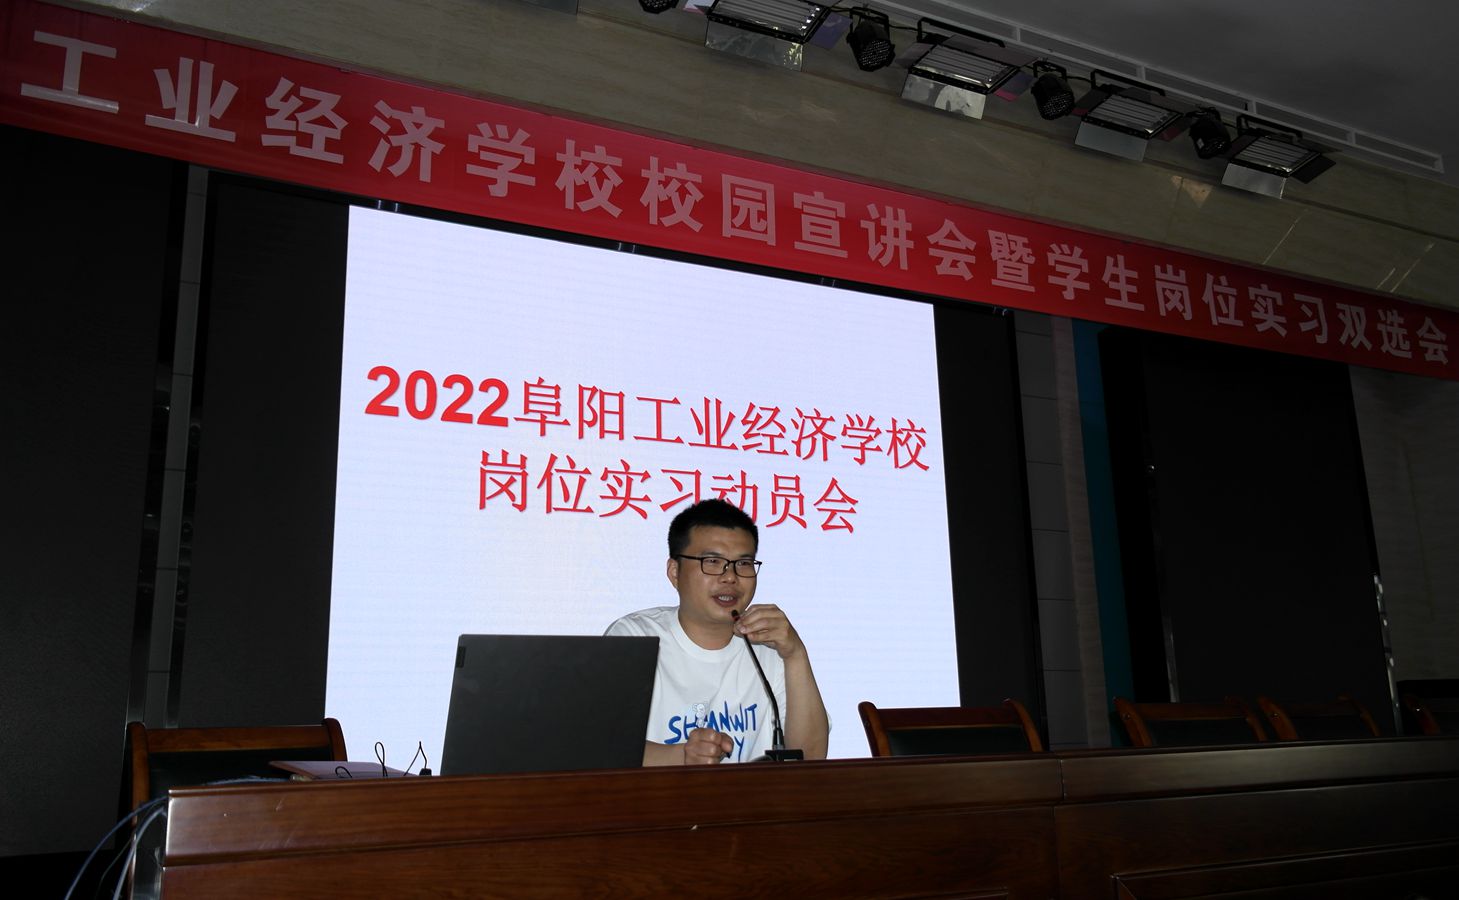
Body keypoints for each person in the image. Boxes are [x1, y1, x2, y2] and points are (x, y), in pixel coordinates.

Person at [606, 499, 830, 765]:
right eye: (712, 561)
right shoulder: (635, 636)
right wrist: (682, 756)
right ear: (675, 572)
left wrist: (795, 654)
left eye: (743, 563)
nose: (730, 577)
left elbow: (810, 758)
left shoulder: (769, 645)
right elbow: (602, 746)